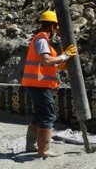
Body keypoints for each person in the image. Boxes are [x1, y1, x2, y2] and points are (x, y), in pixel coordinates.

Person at [20, 10, 78, 159]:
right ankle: (44, 150)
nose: (57, 31)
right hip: (38, 84)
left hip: (36, 83)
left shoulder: (43, 41)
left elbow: (46, 64)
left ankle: (30, 145)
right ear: (53, 26)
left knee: (41, 115)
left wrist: (60, 64)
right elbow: (46, 60)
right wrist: (64, 56)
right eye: (56, 27)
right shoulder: (41, 40)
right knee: (48, 116)